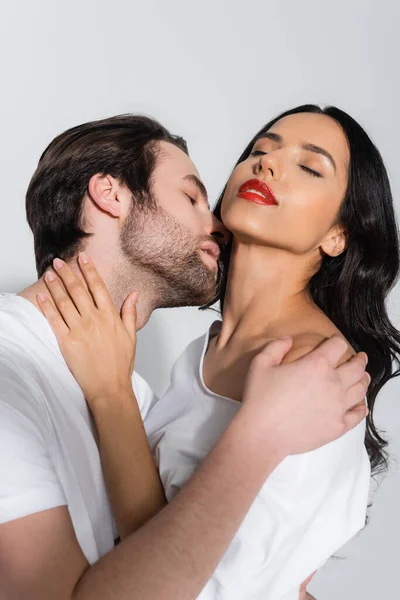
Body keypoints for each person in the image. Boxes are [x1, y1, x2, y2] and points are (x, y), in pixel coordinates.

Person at [0, 115, 369, 600]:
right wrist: (257, 438)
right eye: (192, 198)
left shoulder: (136, 394)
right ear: (110, 195)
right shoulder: (59, 377)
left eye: (309, 167)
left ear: (337, 234)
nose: (214, 224)